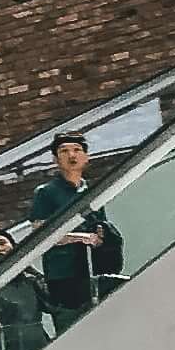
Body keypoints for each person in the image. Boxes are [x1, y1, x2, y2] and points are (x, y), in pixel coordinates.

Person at [26, 129, 122, 333]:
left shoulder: (92, 191)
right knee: (72, 329)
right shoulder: (46, 192)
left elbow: (100, 227)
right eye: (64, 151)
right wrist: (80, 237)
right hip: (63, 276)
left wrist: (102, 237)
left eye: (77, 150)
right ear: (55, 159)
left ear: (86, 156)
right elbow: (40, 234)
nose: (71, 155)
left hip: (92, 270)